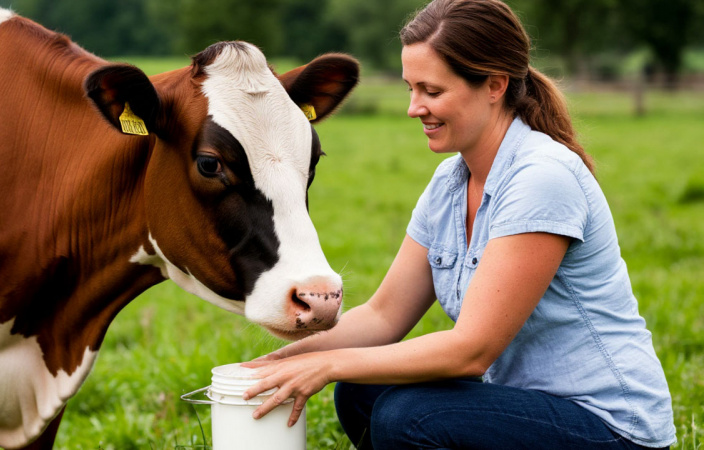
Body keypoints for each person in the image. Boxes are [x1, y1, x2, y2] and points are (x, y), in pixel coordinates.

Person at [241, 0, 677, 448]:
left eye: (431, 91)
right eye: (411, 88)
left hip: (610, 427)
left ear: (494, 85)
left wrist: (329, 366)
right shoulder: (450, 181)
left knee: (405, 416)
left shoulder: (542, 177)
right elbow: (384, 315)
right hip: (527, 406)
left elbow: (472, 350)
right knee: (362, 389)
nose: (414, 108)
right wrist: (278, 363)